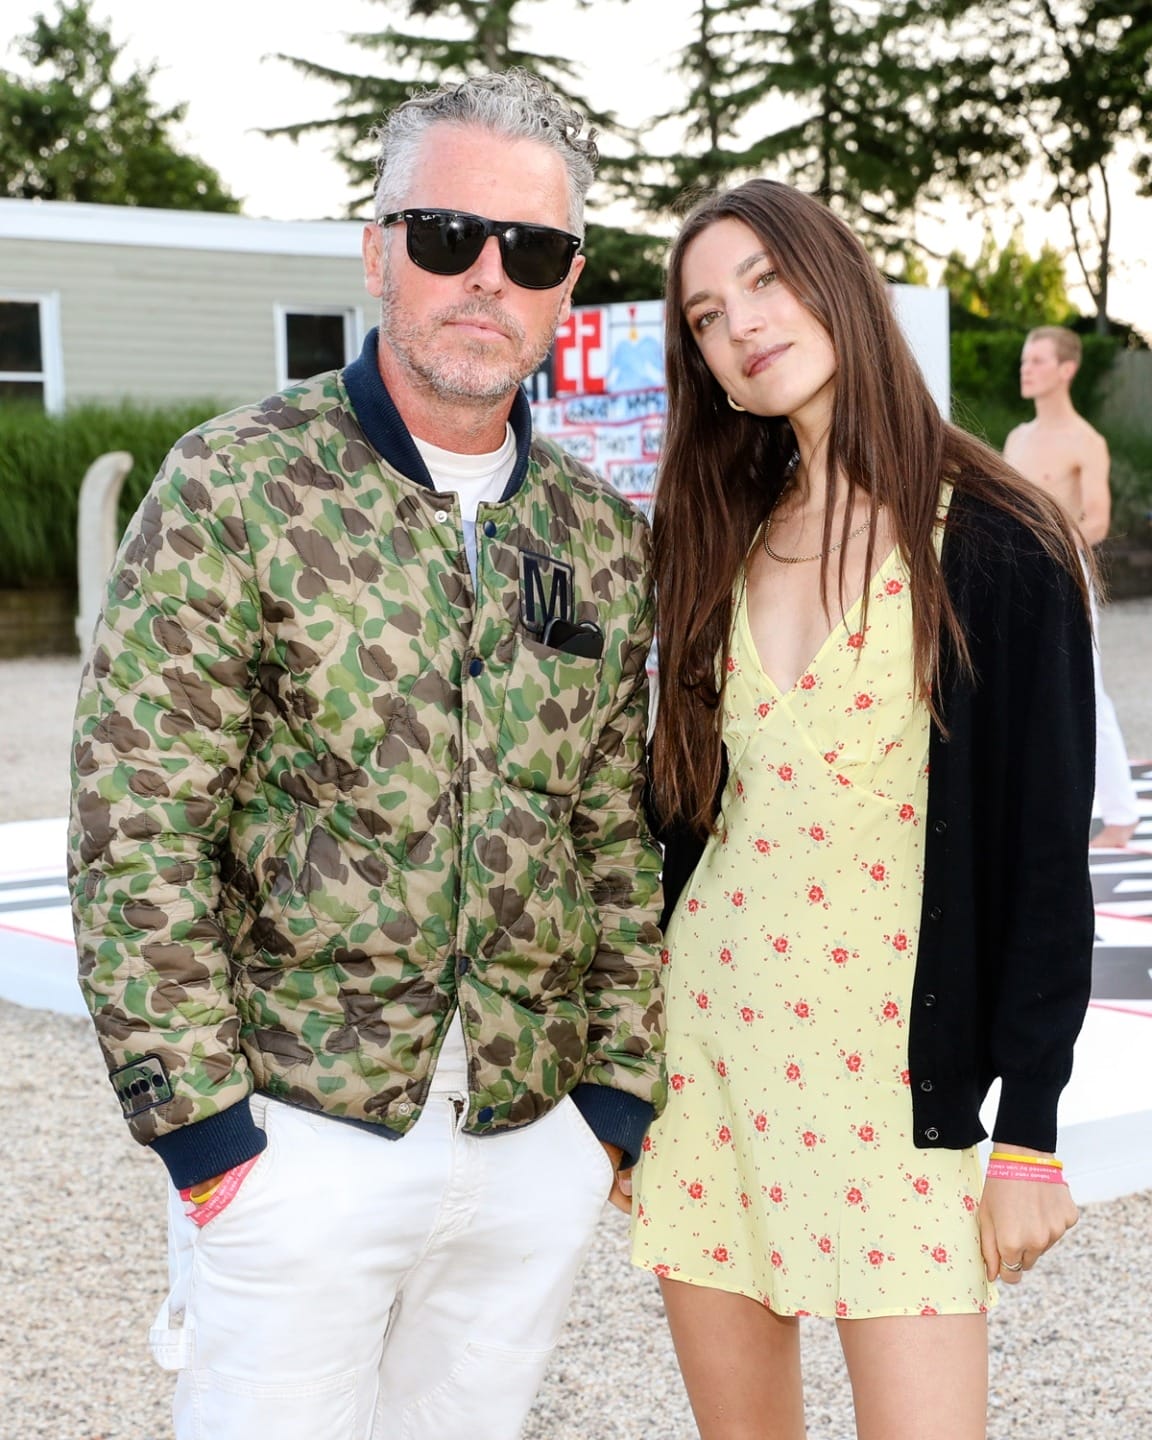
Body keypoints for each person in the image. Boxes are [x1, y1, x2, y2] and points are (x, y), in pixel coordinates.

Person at [68, 70, 665, 1440]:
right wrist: (208, 1139)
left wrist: (613, 1104)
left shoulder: (593, 532)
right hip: (298, 1134)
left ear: (567, 287)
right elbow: (138, 819)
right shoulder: (237, 483)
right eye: (451, 235)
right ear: (379, 248)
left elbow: (613, 828)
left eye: (534, 250)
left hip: (532, 1140)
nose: (487, 277)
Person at [628, 180, 1094, 1440]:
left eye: (766, 282)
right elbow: (673, 828)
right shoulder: (712, 533)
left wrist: (1032, 1140)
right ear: (706, 366)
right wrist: (618, 1076)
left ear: (838, 280)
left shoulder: (999, 540)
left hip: (900, 1077)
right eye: (709, 316)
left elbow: (1047, 862)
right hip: (710, 1053)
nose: (742, 326)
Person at [1004, 325, 1141, 849]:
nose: (1026, 367)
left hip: (1062, 571)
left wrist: (1048, 548)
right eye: (1024, 358)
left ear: (1067, 369)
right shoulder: (1017, 437)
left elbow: (1099, 521)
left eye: (1037, 359)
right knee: (1016, 686)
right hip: (1012, 571)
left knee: (1085, 687)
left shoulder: (1087, 441)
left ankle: (1122, 815)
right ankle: (1033, 809)